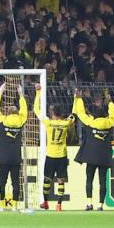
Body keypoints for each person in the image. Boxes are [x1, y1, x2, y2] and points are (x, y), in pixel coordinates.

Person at [72, 88, 114, 211]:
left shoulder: (91, 122)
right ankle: (100, 205)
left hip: (91, 156)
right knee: (102, 181)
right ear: (105, 115)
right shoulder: (109, 122)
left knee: (89, 179)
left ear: (95, 115)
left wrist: (79, 99)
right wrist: (111, 102)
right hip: (104, 157)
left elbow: (81, 113)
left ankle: (89, 203)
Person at [34, 83, 74, 211]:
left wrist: (38, 93)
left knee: (47, 180)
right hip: (62, 156)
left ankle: (45, 202)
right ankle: (59, 205)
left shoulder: (49, 123)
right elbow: (74, 114)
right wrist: (77, 99)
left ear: (52, 113)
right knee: (61, 180)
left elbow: (36, 110)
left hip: (51, 155)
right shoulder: (66, 123)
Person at [0, 81, 27, 211]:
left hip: (3, 157)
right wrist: (21, 95)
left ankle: (1, 206)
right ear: (17, 113)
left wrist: (0, 92)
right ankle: (15, 206)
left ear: (7, 112)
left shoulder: (3, 120)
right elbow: (25, 110)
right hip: (16, 157)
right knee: (15, 181)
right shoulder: (21, 121)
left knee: (2, 181)